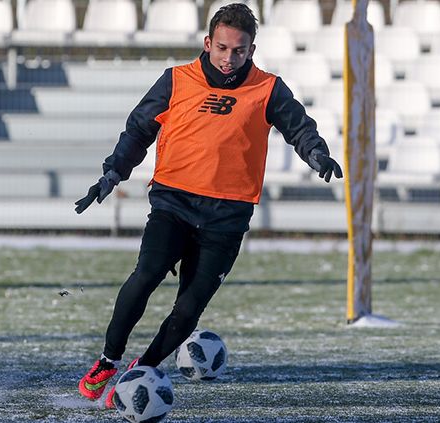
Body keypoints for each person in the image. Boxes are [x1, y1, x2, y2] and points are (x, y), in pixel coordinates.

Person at [75, 3, 342, 408]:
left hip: (228, 216)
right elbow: (138, 130)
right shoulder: (176, 80)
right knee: (146, 275)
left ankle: (140, 371)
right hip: (174, 202)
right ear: (207, 43)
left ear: (251, 49)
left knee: (189, 309)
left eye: (239, 50)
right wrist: (113, 173)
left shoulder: (269, 88)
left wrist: (316, 153)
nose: (229, 57)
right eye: (222, 48)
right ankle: (108, 361)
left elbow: (299, 127)